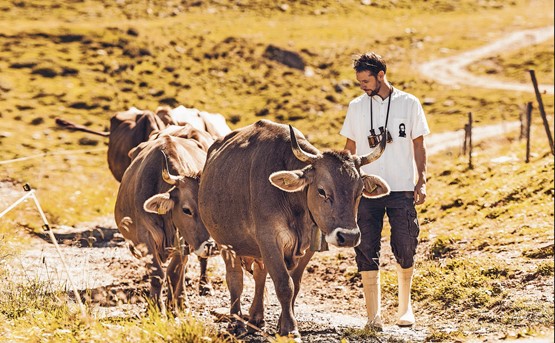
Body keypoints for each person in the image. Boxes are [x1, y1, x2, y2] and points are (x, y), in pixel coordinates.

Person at [340, 52, 429, 330]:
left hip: (402, 187)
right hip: (367, 190)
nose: (363, 86)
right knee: (366, 249)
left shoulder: (409, 103)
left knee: (405, 245)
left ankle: (405, 309)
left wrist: (422, 179)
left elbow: (418, 144)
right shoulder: (356, 107)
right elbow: (349, 149)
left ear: (381, 75)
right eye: (359, 82)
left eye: (366, 80)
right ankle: (373, 317)